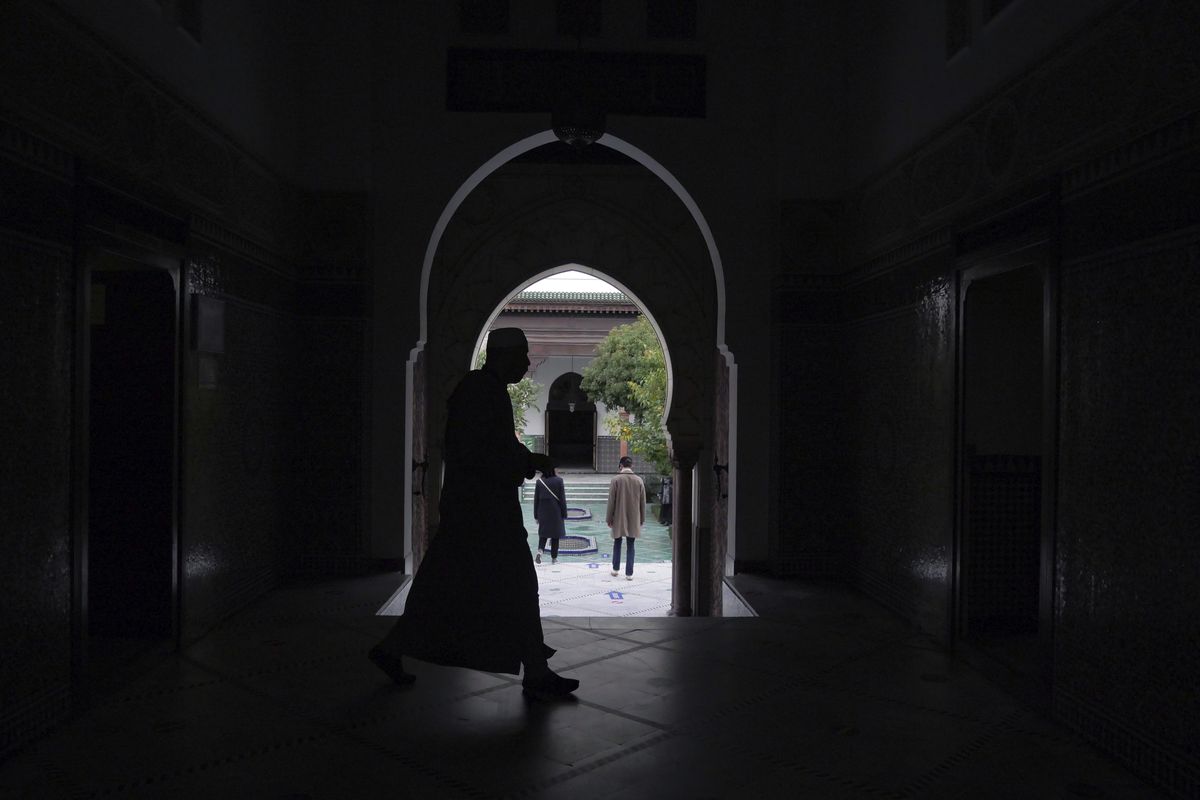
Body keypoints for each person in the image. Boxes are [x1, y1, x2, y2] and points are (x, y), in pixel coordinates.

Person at [368, 327, 579, 700]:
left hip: (476, 511)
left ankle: (534, 667)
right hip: (481, 514)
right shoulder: (483, 391)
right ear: (504, 355)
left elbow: (490, 448)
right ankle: (536, 670)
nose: (527, 364)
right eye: (522, 356)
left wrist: (524, 460)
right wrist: (528, 460)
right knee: (511, 585)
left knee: (448, 587)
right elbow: (482, 451)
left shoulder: (483, 390)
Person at [606, 456, 645, 580]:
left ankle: (615, 569)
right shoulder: (639, 480)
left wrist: (609, 518)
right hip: (634, 517)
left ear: (620, 466)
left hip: (618, 516)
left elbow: (611, 501)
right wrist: (642, 518)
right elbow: (643, 503)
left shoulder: (616, 480)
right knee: (631, 544)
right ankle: (629, 573)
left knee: (617, 542)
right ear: (631, 466)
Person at [533, 466, 567, 564]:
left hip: (543, 513)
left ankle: (540, 552)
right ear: (553, 470)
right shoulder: (559, 481)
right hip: (556, 513)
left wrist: (536, 515)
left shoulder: (539, 482)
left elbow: (536, 501)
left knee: (543, 534)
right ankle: (554, 558)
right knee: (555, 536)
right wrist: (564, 513)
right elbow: (562, 499)